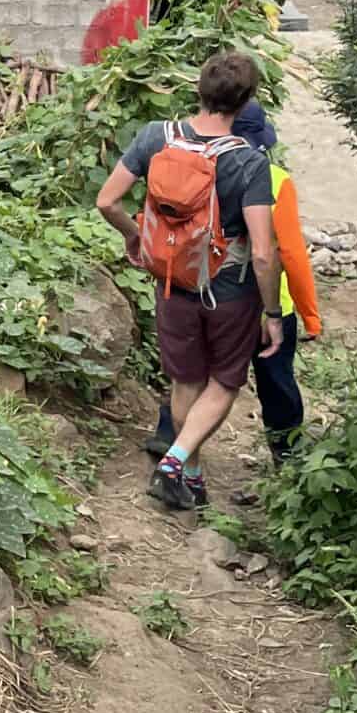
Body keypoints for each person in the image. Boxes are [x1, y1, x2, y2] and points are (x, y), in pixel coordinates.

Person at [96, 50, 282, 511]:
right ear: (246, 103)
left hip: (171, 281)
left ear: (197, 90)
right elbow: (262, 253)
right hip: (230, 291)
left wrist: (137, 237)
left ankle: (192, 477)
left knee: (186, 379)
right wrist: (273, 313)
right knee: (223, 382)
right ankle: (177, 460)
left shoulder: (157, 137)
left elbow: (106, 201)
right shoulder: (250, 164)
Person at [140, 103, 323, 473]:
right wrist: (310, 315)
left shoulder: (190, 165)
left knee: (193, 373)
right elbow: (287, 252)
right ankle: (288, 462)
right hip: (261, 303)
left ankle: (170, 437)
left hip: (200, 288)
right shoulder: (272, 178)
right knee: (275, 383)